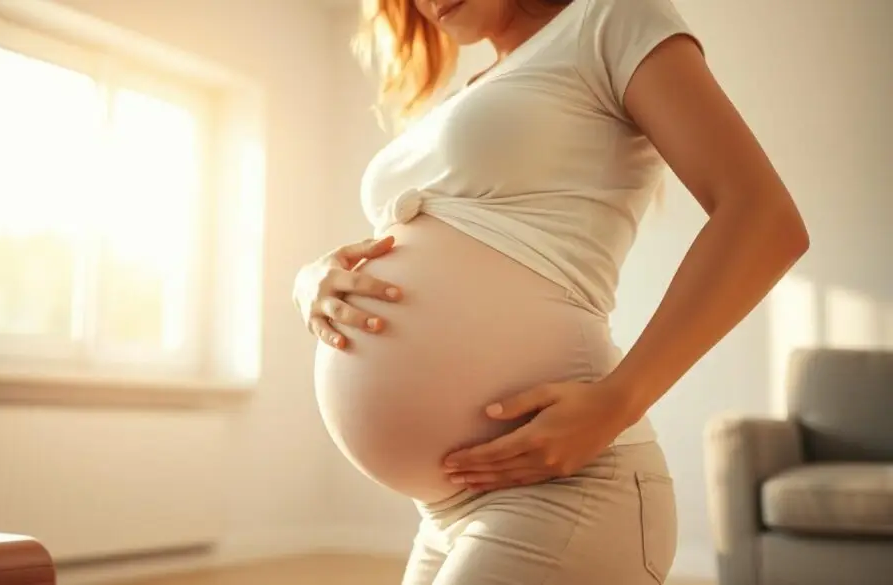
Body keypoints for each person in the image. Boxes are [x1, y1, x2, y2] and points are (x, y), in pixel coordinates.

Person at [292, 0, 809, 583]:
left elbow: (764, 218)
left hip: (568, 489)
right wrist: (314, 279)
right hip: (444, 511)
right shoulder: (467, 95)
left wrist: (619, 401)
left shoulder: (609, 19)